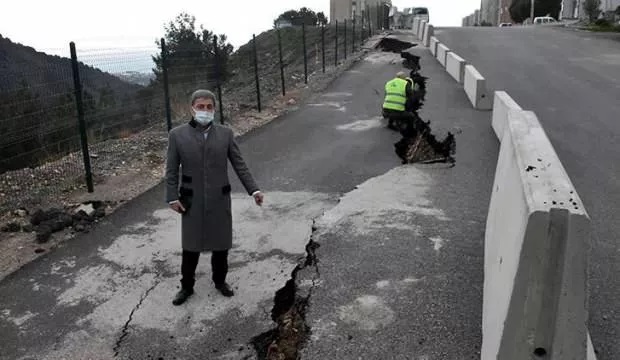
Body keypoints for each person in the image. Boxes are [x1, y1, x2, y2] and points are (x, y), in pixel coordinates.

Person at [165, 89, 264, 306]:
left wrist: (254, 190)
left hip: (220, 198)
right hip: (191, 200)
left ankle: (220, 281)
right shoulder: (177, 135)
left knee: (221, 244)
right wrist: (172, 197)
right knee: (191, 246)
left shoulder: (225, 134)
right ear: (192, 108)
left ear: (215, 109)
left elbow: (239, 164)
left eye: (209, 107)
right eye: (201, 106)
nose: (205, 110)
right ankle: (186, 287)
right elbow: (171, 170)